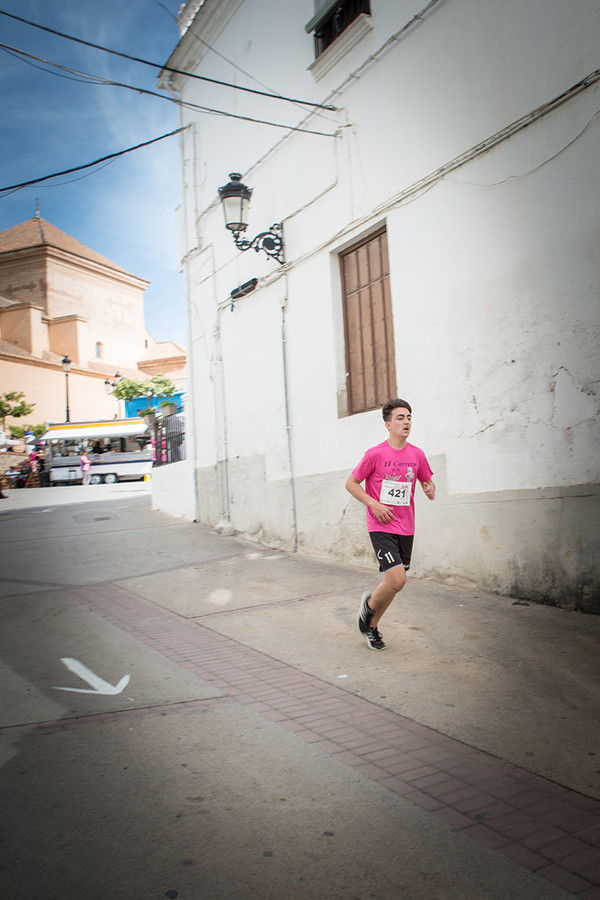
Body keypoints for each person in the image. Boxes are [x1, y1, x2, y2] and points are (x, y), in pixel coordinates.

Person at [345, 398, 436, 651]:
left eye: (409, 417)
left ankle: (371, 626)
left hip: (406, 527)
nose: (406, 421)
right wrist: (374, 504)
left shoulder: (417, 454)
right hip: (381, 525)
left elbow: (426, 480)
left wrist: (429, 487)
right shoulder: (374, 454)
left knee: (394, 585)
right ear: (387, 424)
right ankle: (368, 609)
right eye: (400, 417)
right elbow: (351, 484)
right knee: (397, 580)